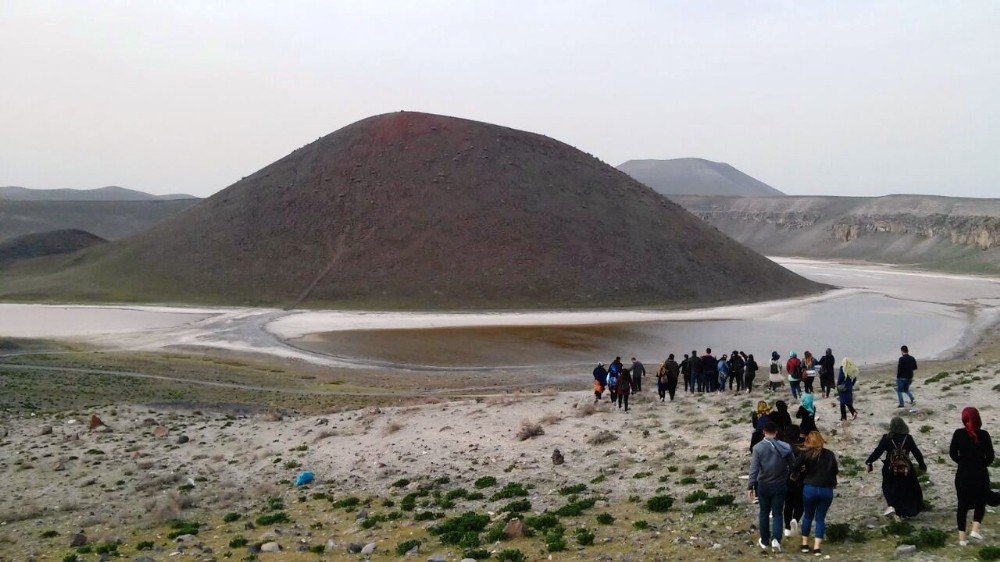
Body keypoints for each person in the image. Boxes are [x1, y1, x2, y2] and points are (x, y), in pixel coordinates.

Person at [950, 407, 1000, 546]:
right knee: (980, 500)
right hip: (980, 474)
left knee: (962, 505)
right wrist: (980, 464)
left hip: (963, 475)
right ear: (978, 418)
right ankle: (975, 529)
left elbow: (952, 453)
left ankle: (962, 539)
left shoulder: (958, 433)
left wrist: (963, 462)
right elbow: (990, 457)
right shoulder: (984, 434)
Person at [748, 420, 794, 553]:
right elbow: (793, 465)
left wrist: (750, 486)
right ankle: (776, 540)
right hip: (780, 485)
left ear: (763, 431)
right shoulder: (785, 446)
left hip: (764, 485)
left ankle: (764, 540)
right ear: (776, 432)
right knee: (778, 513)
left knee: (763, 512)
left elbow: (754, 469)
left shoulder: (758, 448)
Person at [865, 417, 926, 518]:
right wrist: (922, 465)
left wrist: (869, 461)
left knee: (889, 487)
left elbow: (878, 451)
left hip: (890, 468)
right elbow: (917, 452)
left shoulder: (887, 437)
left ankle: (892, 506)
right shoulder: (908, 438)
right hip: (906, 469)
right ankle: (908, 511)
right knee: (908, 489)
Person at [793, 431, 839, 555]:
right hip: (826, 490)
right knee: (820, 519)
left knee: (808, 516)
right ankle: (817, 548)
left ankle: (804, 544)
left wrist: (802, 470)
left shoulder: (806, 454)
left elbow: (794, 465)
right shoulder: (829, 454)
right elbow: (835, 470)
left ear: (809, 441)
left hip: (810, 488)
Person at [781, 425, 805, 539]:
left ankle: (786, 528)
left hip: (784, 479)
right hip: (799, 480)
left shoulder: (781, 447)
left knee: (788, 504)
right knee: (799, 503)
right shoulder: (800, 450)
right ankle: (795, 519)